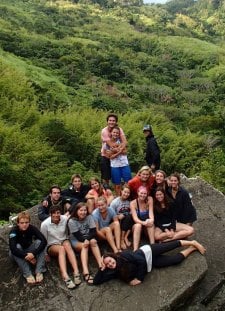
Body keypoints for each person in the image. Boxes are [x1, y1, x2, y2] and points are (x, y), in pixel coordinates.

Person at [93, 240, 206, 285]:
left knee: (170, 245)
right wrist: (101, 268)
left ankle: (193, 242)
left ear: (113, 257)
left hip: (147, 251)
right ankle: (192, 249)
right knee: (175, 260)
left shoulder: (123, 256)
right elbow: (96, 281)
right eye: (107, 264)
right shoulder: (114, 272)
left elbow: (141, 261)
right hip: (151, 263)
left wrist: (139, 279)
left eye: (110, 261)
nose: (110, 264)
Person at [40, 205, 81, 289]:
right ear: (50, 214)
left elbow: (73, 216)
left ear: (60, 213)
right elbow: (43, 240)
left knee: (67, 245)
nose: (56, 215)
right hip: (52, 245)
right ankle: (65, 276)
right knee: (62, 249)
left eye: (58, 213)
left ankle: (76, 272)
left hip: (64, 240)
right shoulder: (45, 224)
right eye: (53, 213)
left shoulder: (64, 219)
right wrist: (45, 254)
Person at [67, 202, 102, 285]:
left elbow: (93, 231)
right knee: (84, 246)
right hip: (76, 241)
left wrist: (88, 239)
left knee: (93, 241)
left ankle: (101, 264)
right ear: (76, 211)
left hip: (88, 238)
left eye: (85, 210)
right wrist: (86, 240)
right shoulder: (71, 221)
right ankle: (85, 271)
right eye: (81, 210)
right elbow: (78, 236)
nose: (83, 212)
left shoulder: (89, 217)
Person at [9, 211, 47, 284]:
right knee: (17, 246)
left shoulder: (32, 228)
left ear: (29, 222)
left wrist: (33, 253)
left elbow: (44, 241)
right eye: (22, 223)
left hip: (28, 250)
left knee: (39, 242)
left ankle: (39, 271)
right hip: (16, 254)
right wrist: (28, 256)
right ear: (18, 223)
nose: (24, 225)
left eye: (26, 222)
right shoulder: (14, 231)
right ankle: (28, 274)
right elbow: (13, 249)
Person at [100, 113, 127, 188]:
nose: (111, 122)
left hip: (116, 155)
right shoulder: (104, 131)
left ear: (116, 122)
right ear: (107, 121)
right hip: (106, 155)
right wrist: (121, 149)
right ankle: (106, 191)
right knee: (106, 176)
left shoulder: (119, 129)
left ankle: (120, 192)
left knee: (117, 176)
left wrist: (120, 149)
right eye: (110, 120)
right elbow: (111, 145)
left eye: (113, 120)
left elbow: (125, 142)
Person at [104, 126, 132, 196]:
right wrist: (119, 151)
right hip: (115, 166)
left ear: (119, 134)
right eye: (114, 132)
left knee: (128, 182)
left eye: (117, 133)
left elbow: (125, 152)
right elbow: (111, 157)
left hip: (124, 164)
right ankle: (118, 198)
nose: (115, 134)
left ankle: (128, 197)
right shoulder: (107, 143)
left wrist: (114, 151)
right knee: (117, 184)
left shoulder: (122, 141)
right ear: (111, 133)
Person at [130, 186, 155, 251]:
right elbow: (135, 219)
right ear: (138, 193)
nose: (143, 195)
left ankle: (153, 246)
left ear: (147, 194)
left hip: (147, 226)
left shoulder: (150, 199)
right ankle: (135, 249)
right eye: (141, 193)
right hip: (138, 226)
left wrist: (151, 220)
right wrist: (144, 223)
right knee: (138, 225)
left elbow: (151, 214)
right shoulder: (133, 203)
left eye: (145, 194)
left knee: (150, 223)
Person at [109, 185, 132, 249]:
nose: (126, 194)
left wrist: (125, 214)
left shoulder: (129, 201)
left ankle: (125, 237)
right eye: (125, 192)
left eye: (128, 193)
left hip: (127, 220)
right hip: (118, 221)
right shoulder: (115, 202)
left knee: (130, 216)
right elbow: (110, 215)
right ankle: (121, 240)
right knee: (127, 217)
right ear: (121, 191)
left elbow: (131, 211)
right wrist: (117, 216)